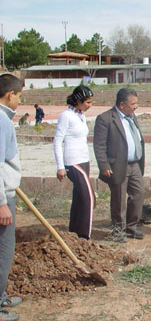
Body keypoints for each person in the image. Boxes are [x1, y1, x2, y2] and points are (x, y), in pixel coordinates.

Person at [93, 88, 146, 241]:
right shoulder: (105, 119)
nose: (136, 107)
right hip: (117, 166)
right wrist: (104, 166)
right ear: (122, 105)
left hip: (135, 164)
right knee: (119, 199)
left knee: (138, 194)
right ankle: (118, 231)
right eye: (133, 104)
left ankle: (131, 226)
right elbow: (99, 145)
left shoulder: (132, 117)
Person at [53, 85, 95, 239]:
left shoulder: (81, 116)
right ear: (78, 101)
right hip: (73, 162)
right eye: (87, 102)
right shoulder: (66, 116)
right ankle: (84, 237)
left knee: (79, 198)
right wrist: (60, 166)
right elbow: (57, 141)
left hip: (84, 160)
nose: (90, 105)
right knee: (89, 199)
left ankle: (74, 234)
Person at [0, 74, 24, 321]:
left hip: (6, 191)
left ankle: (2, 296)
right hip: (2, 198)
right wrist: (2, 204)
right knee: (4, 250)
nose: (19, 101)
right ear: (10, 95)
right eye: (19, 96)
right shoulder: (1, 121)